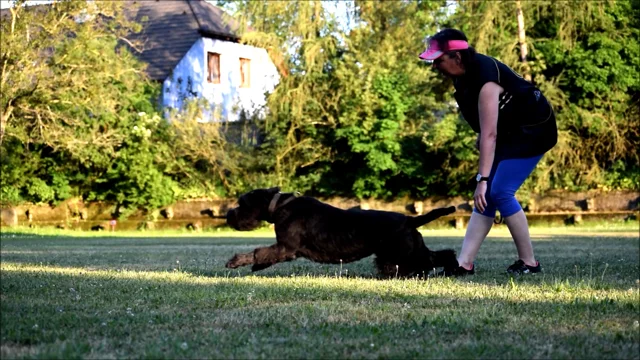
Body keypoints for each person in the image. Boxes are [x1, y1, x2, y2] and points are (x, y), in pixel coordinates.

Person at [419, 29, 558, 276]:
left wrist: (482, 180)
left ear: (457, 57)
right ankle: (464, 264)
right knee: (485, 198)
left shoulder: (485, 78)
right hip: (509, 133)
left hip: (534, 130)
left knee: (499, 191)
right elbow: (484, 133)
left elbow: (490, 135)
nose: (435, 65)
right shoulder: (461, 81)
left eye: (438, 59)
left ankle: (529, 263)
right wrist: (482, 178)